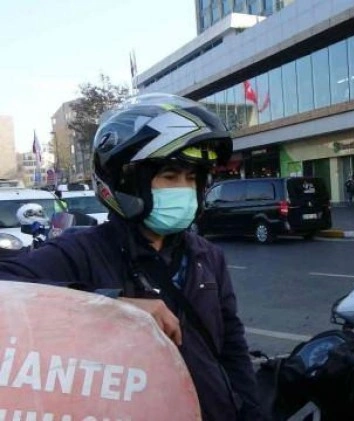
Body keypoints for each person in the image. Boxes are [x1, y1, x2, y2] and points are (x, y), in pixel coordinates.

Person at [0, 94, 263, 421]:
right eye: (169, 176)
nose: (183, 188)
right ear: (128, 182)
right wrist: (113, 306)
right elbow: (7, 286)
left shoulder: (207, 256)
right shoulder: (83, 251)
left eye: (191, 178)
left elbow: (233, 350)